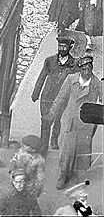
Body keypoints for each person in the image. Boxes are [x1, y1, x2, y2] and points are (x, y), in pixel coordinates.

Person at [49, 55, 102, 189]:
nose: (87, 72)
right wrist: (52, 112)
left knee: (81, 151)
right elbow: (61, 97)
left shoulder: (97, 84)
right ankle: (63, 175)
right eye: (84, 69)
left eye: (89, 69)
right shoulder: (71, 80)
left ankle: (76, 177)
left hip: (86, 123)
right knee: (65, 150)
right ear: (80, 69)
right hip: (70, 120)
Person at [31, 33, 79, 152]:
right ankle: (44, 143)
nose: (62, 49)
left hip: (62, 97)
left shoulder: (74, 64)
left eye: (64, 47)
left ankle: (54, 139)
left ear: (70, 48)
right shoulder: (50, 61)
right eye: (60, 46)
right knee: (45, 119)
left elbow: (76, 82)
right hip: (47, 95)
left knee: (58, 119)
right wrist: (36, 93)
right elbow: (41, 77)